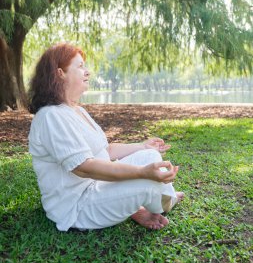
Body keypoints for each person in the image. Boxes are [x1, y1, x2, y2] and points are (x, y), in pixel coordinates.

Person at [28, 43, 184, 232]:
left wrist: (143, 146)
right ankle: (161, 201)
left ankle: (143, 203)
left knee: (151, 156)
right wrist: (142, 173)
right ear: (60, 73)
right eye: (80, 66)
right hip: (78, 206)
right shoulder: (50, 116)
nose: (87, 72)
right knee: (148, 182)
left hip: (100, 186)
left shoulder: (78, 110)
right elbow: (84, 168)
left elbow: (106, 150)